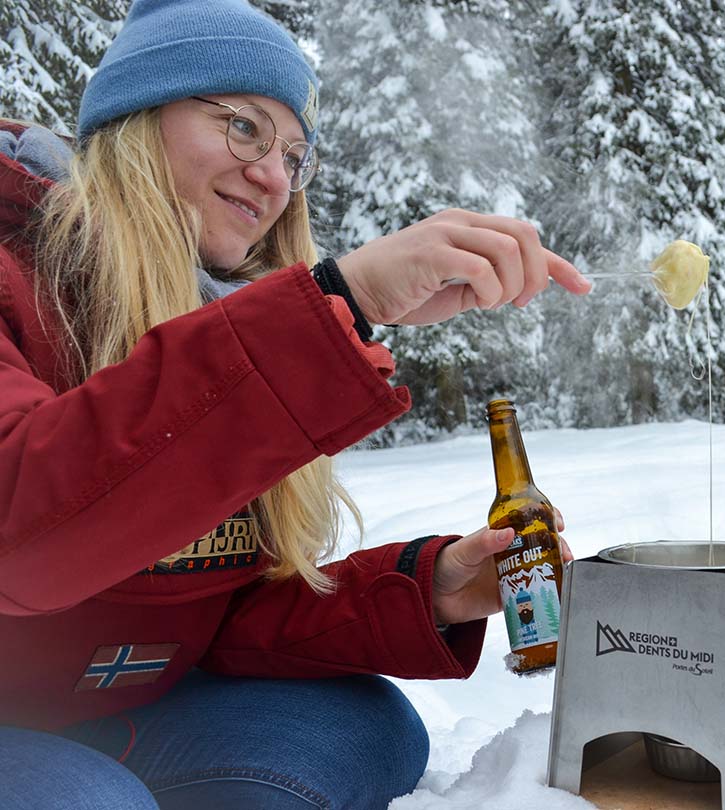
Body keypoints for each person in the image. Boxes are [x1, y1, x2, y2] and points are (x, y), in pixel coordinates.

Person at [0, 0, 590, 807]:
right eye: (243, 127)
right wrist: (341, 298)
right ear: (136, 119)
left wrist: (433, 586)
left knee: (364, 729)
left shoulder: (221, 316)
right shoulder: (14, 270)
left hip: (114, 708)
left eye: (294, 153)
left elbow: (217, 618)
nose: (274, 176)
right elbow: (19, 530)